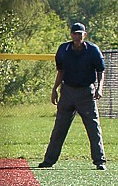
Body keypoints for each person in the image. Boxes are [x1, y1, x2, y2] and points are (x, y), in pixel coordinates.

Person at [39, 22, 107, 171]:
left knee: (93, 127)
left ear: (85, 35)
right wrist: (54, 88)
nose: (77, 37)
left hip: (85, 93)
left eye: (80, 34)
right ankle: (49, 160)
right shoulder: (64, 49)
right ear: (71, 35)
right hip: (68, 92)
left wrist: (99, 88)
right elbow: (61, 71)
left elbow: (100, 71)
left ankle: (99, 161)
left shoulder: (93, 50)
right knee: (59, 128)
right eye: (75, 34)